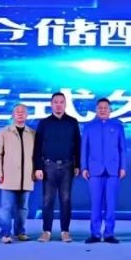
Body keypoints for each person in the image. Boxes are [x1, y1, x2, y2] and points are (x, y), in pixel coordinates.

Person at [33, 92, 81, 242]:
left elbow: (77, 145)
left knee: (65, 200)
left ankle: (65, 231)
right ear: (51, 104)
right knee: (47, 200)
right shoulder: (44, 123)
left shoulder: (72, 122)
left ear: (65, 104)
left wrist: (78, 164)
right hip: (48, 166)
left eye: (61, 102)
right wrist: (38, 167)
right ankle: (46, 231)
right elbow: (37, 146)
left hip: (67, 166)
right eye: (56, 102)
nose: (58, 105)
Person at [81, 97, 127, 243]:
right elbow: (84, 149)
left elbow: (122, 149)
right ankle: (95, 233)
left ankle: (109, 233)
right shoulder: (89, 127)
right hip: (94, 170)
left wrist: (123, 167)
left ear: (110, 110)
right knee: (95, 204)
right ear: (96, 110)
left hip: (113, 170)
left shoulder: (117, 126)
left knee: (111, 204)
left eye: (105, 108)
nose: (102, 110)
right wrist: (84, 167)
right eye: (100, 107)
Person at [0, 104, 37, 243]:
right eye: (17, 111)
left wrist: (35, 172)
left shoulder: (32, 133)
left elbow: (36, 156)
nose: (20, 113)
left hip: (27, 176)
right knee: (6, 207)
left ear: (27, 115)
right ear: (12, 115)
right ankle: (5, 233)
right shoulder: (4, 132)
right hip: (8, 176)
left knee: (23, 208)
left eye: (23, 111)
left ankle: (20, 232)